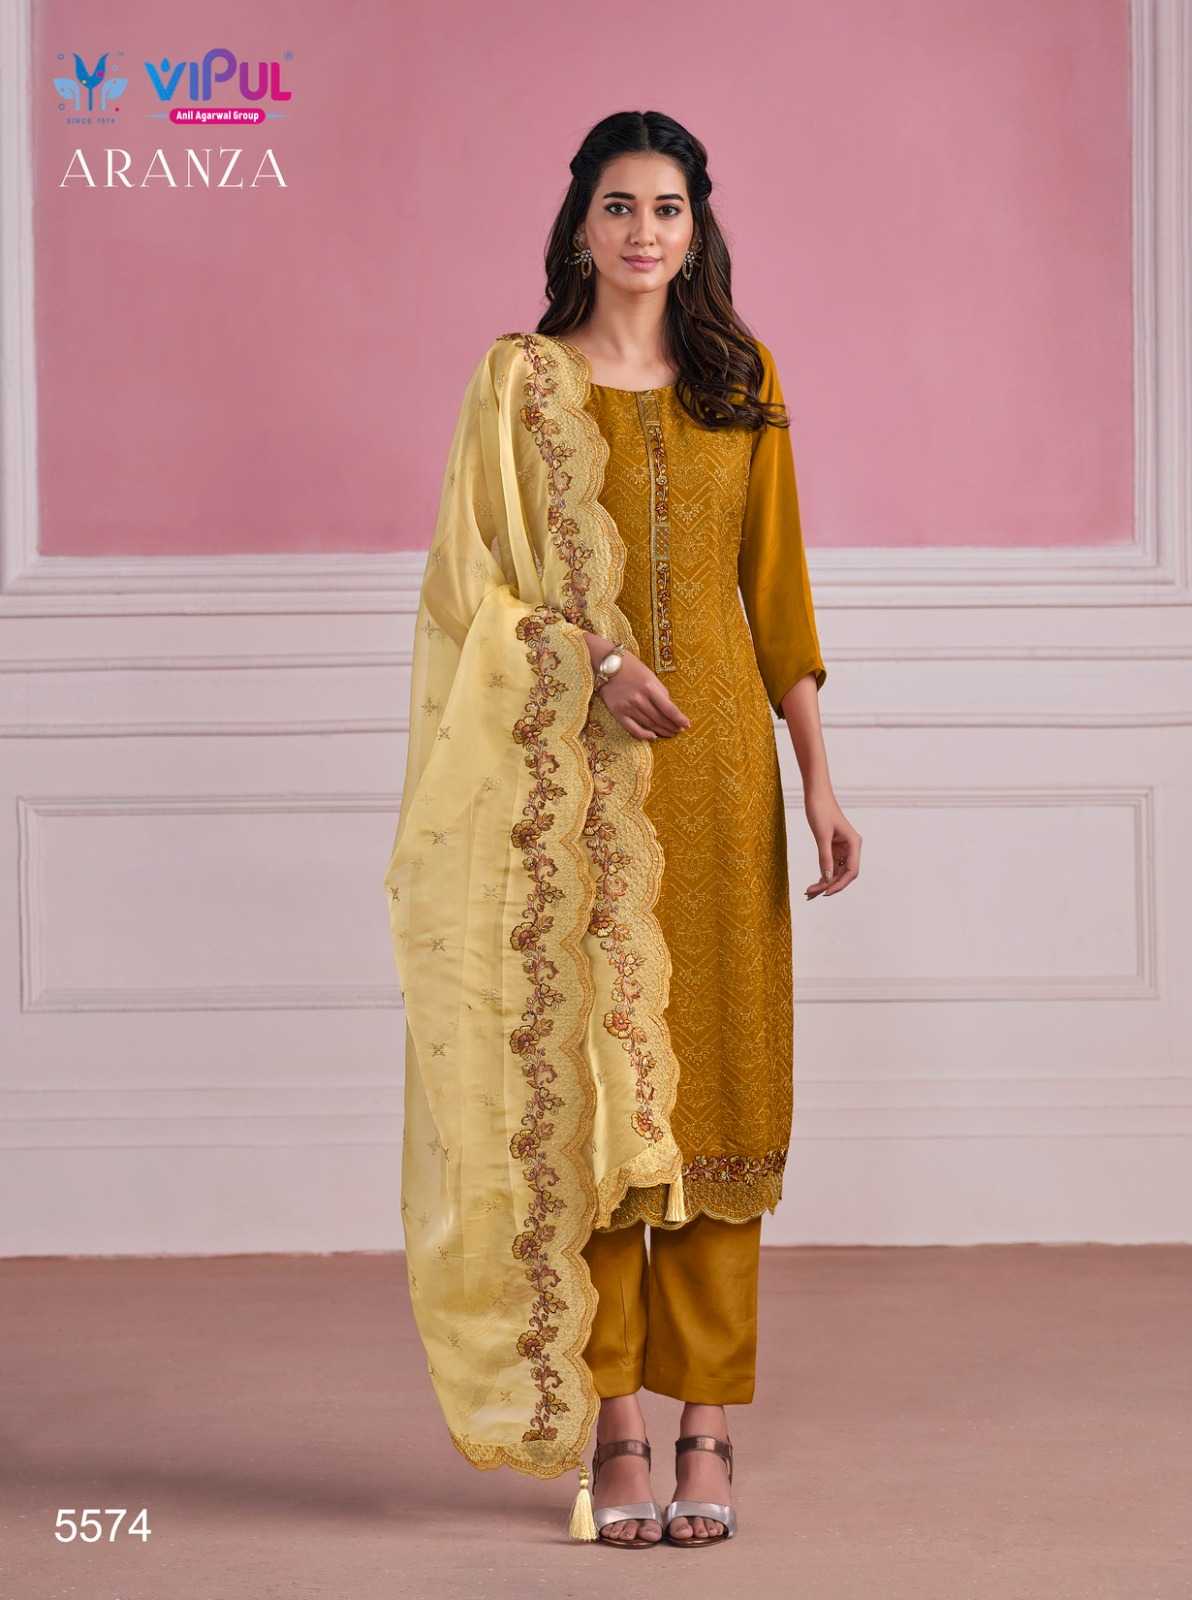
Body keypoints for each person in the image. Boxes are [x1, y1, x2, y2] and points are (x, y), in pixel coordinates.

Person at [383, 109, 861, 1551]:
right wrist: (591, 662)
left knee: (719, 1105)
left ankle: (706, 1421)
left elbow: (779, 591)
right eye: (619, 205)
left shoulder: (743, 381)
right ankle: (617, 1427)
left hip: (720, 796)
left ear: (697, 229)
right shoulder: (521, 386)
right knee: (590, 1106)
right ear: (579, 225)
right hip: (573, 797)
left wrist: (819, 779)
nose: (644, 231)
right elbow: (472, 589)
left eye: (668, 208)